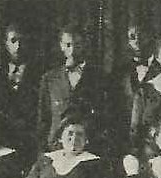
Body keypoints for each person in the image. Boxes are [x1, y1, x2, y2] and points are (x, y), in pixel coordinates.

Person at [37, 26, 111, 155]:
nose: (72, 50)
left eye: (78, 45)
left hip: (89, 149)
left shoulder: (99, 77)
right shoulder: (49, 78)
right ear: (61, 46)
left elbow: (105, 118)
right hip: (56, 148)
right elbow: (43, 120)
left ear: (85, 46)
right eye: (68, 45)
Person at [0, 23, 43, 157]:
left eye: (23, 41)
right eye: (13, 41)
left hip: (29, 144)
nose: (18, 46)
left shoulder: (41, 76)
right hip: (1, 143)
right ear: (6, 44)